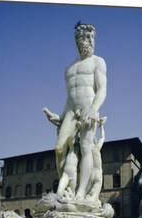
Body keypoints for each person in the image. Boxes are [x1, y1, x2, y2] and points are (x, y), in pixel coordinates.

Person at [43, 22, 107, 201]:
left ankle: (81, 191)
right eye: (83, 39)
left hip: (89, 108)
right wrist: (61, 116)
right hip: (71, 110)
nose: (87, 42)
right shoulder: (69, 69)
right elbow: (70, 97)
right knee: (59, 148)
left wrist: (94, 109)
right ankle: (69, 187)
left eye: (90, 38)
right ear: (77, 42)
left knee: (86, 148)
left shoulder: (98, 62)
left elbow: (102, 90)